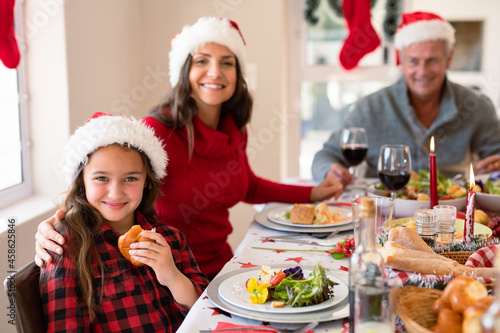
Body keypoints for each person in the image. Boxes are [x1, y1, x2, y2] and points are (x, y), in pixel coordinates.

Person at [35, 17, 344, 280]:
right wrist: (55, 224)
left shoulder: (234, 128)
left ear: (238, 74)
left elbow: (248, 185)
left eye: (227, 63)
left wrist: (312, 193)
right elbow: (108, 188)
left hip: (224, 265)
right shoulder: (156, 132)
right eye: (202, 61)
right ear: (184, 71)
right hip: (168, 273)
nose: (215, 72)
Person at [40, 113, 209, 332]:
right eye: (101, 178)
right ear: (82, 180)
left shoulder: (172, 239)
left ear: (147, 182)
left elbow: (207, 314)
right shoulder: (66, 246)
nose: (116, 193)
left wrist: (173, 277)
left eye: (130, 179)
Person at [312, 11, 500, 186]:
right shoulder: (371, 107)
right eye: (413, 61)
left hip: (450, 212)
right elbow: (326, 155)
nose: (422, 71)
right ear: (401, 61)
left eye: (432, 60)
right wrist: (330, 170)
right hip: (384, 209)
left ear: (448, 59)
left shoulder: (478, 106)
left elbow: (495, 157)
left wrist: (495, 167)